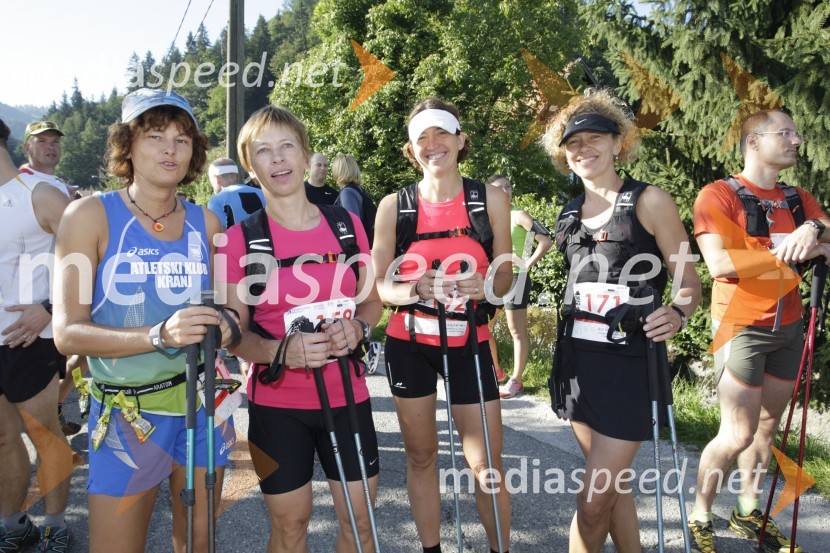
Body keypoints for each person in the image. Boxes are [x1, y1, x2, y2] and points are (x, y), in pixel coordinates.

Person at [53, 88, 237, 553]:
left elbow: (232, 312)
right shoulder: (90, 215)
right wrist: (159, 335)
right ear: (128, 145)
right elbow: (67, 333)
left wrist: (228, 324)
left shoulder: (207, 224)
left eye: (182, 139)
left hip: (203, 406)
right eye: (155, 136)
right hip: (128, 413)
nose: (170, 149)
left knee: (198, 543)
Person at [219, 105, 382, 553]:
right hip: (277, 408)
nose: (278, 159)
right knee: (290, 529)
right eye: (263, 151)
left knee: (360, 524)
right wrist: (281, 352)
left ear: (305, 154)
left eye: (287, 146)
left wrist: (359, 329)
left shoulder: (346, 225)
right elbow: (235, 336)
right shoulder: (238, 241)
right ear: (250, 165)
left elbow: (371, 301)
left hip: (348, 399)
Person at [543, 89, 700, 553]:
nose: (583, 148)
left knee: (593, 502)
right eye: (573, 143)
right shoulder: (568, 214)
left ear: (618, 143)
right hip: (577, 364)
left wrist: (678, 313)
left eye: (595, 137)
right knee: (615, 487)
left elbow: (688, 282)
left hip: (629, 366)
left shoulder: (650, 201)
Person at [372, 97, 513, 553]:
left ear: (460, 139)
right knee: (421, 456)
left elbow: (505, 276)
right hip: (409, 345)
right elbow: (378, 285)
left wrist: (484, 286)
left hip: (470, 341)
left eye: (442, 133)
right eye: (422, 137)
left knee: (486, 464)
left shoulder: (490, 199)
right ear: (410, 150)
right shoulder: (394, 206)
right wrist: (415, 288)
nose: (433, 144)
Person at [688, 109, 830, 553]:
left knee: (766, 428)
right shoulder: (718, 195)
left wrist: (814, 228)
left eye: (797, 132)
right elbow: (720, 263)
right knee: (737, 433)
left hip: (789, 326)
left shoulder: (797, 199)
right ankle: (700, 516)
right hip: (741, 326)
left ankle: (747, 513)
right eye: (785, 132)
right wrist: (795, 248)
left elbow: (827, 231)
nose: (796, 140)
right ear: (753, 141)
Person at [0, 117, 74, 551]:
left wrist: (48, 307)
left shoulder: (40, 194)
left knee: (44, 434)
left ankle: (57, 525)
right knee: (3, 438)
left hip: (33, 338)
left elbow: (94, 257)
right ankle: (14, 526)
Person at [484, 175, 552, 399]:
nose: (505, 191)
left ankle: (517, 380)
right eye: (499, 188)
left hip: (516, 278)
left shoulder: (519, 215)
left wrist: (527, 264)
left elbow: (545, 241)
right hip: (494, 278)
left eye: (508, 186)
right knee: (483, 327)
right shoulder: (488, 218)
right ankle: (497, 371)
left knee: (516, 330)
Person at [332, 153, 377, 247]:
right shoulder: (359, 190)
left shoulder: (347, 193)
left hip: (356, 249)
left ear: (338, 171)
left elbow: (353, 226)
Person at [206, 157, 265, 228]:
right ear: (237, 176)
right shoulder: (262, 194)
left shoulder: (216, 201)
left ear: (216, 179)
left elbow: (219, 231)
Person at [19, 121, 73, 198]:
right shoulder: (22, 184)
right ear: (27, 148)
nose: (51, 146)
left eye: (55, 141)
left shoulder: (58, 182)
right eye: (42, 141)